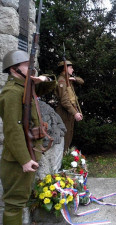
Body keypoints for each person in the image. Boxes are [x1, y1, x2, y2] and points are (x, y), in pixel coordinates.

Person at [0, 50, 56, 225]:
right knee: (14, 203)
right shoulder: (11, 93)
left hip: (29, 152)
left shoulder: (25, 87)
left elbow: (48, 85)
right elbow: (12, 130)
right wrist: (25, 160)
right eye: (27, 66)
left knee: (20, 200)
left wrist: (43, 79)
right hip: (19, 159)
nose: (32, 70)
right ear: (14, 69)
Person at [55, 60, 84, 151]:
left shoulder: (68, 80)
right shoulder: (62, 81)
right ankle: (62, 157)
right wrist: (75, 113)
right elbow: (64, 101)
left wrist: (74, 79)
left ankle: (65, 154)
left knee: (69, 134)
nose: (73, 69)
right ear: (65, 68)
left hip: (69, 112)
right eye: (70, 68)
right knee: (65, 136)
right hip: (64, 112)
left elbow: (81, 81)